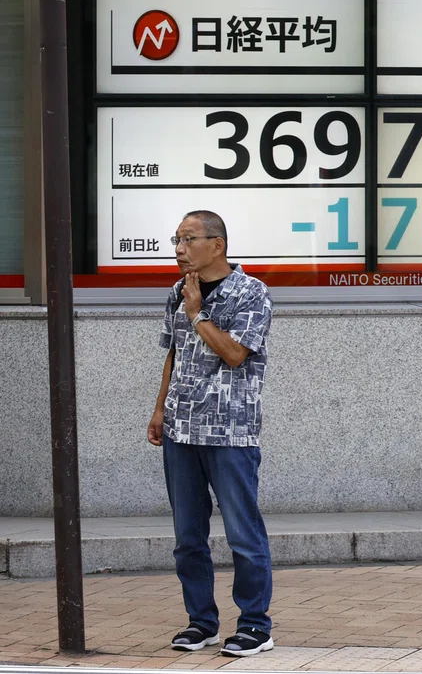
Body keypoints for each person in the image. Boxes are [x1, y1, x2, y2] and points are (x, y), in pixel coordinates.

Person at [147, 210, 275, 658]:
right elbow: (174, 353)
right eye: (176, 239)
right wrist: (160, 408)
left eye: (188, 239)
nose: (179, 248)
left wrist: (199, 314)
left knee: (243, 533)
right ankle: (201, 622)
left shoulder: (251, 293)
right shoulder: (178, 293)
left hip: (230, 432)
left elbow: (236, 354)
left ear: (216, 244)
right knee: (187, 537)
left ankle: (256, 625)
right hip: (182, 428)